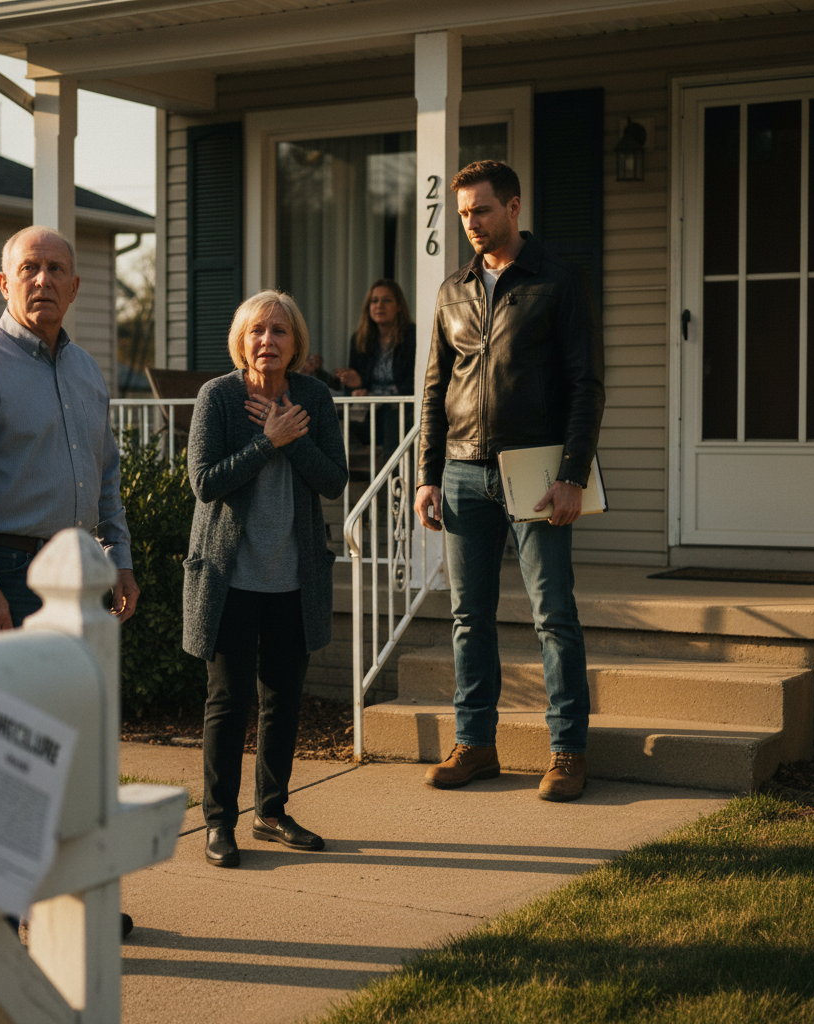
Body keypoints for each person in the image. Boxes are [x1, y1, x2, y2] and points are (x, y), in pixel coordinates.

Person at [413, 160, 605, 802]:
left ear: (514, 207)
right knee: (470, 617)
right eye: (463, 213)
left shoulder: (558, 279)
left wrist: (574, 472)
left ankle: (568, 752)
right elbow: (435, 389)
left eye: (482, 210)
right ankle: (476, 745)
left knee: (554, 614)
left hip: (537, 471)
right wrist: (428, 475)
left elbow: (586, 383)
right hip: (464, 470)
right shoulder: (452, 291)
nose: (471, 222)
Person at [183, 289, 348, 868]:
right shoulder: (219, 398)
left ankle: (271, 812)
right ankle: (218, 822)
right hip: (231, 579)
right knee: (227, 702)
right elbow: (204, 482)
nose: (267, 341)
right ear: (241, 340)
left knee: (283, 700)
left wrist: (294, 438)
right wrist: (266, 441)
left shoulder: (314, 398)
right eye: (257, 331)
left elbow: (333, 481)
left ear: (295, 342)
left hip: (294, 577)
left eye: (279, 331)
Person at [0, 225, 140, 637]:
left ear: (74, 287)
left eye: (56, 269)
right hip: (7, 576)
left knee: (71, 701)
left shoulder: (86, 370)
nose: (43, 279)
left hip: (81, 569)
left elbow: (107, 476)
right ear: (5, 284)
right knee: (7, 701)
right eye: (29, 268)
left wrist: (120, 558)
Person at [333, 279, 416, 458]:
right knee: (331, 417)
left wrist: (382, 397)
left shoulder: (412, 336)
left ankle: (394, 481)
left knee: (392, 418)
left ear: (399, 306)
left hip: (400, 410)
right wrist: (356, 385)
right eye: (374, 301)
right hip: (368, 411)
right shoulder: (359, 339)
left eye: (387, 300)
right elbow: (353, 387)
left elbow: (414, 382)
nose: (379, 305)